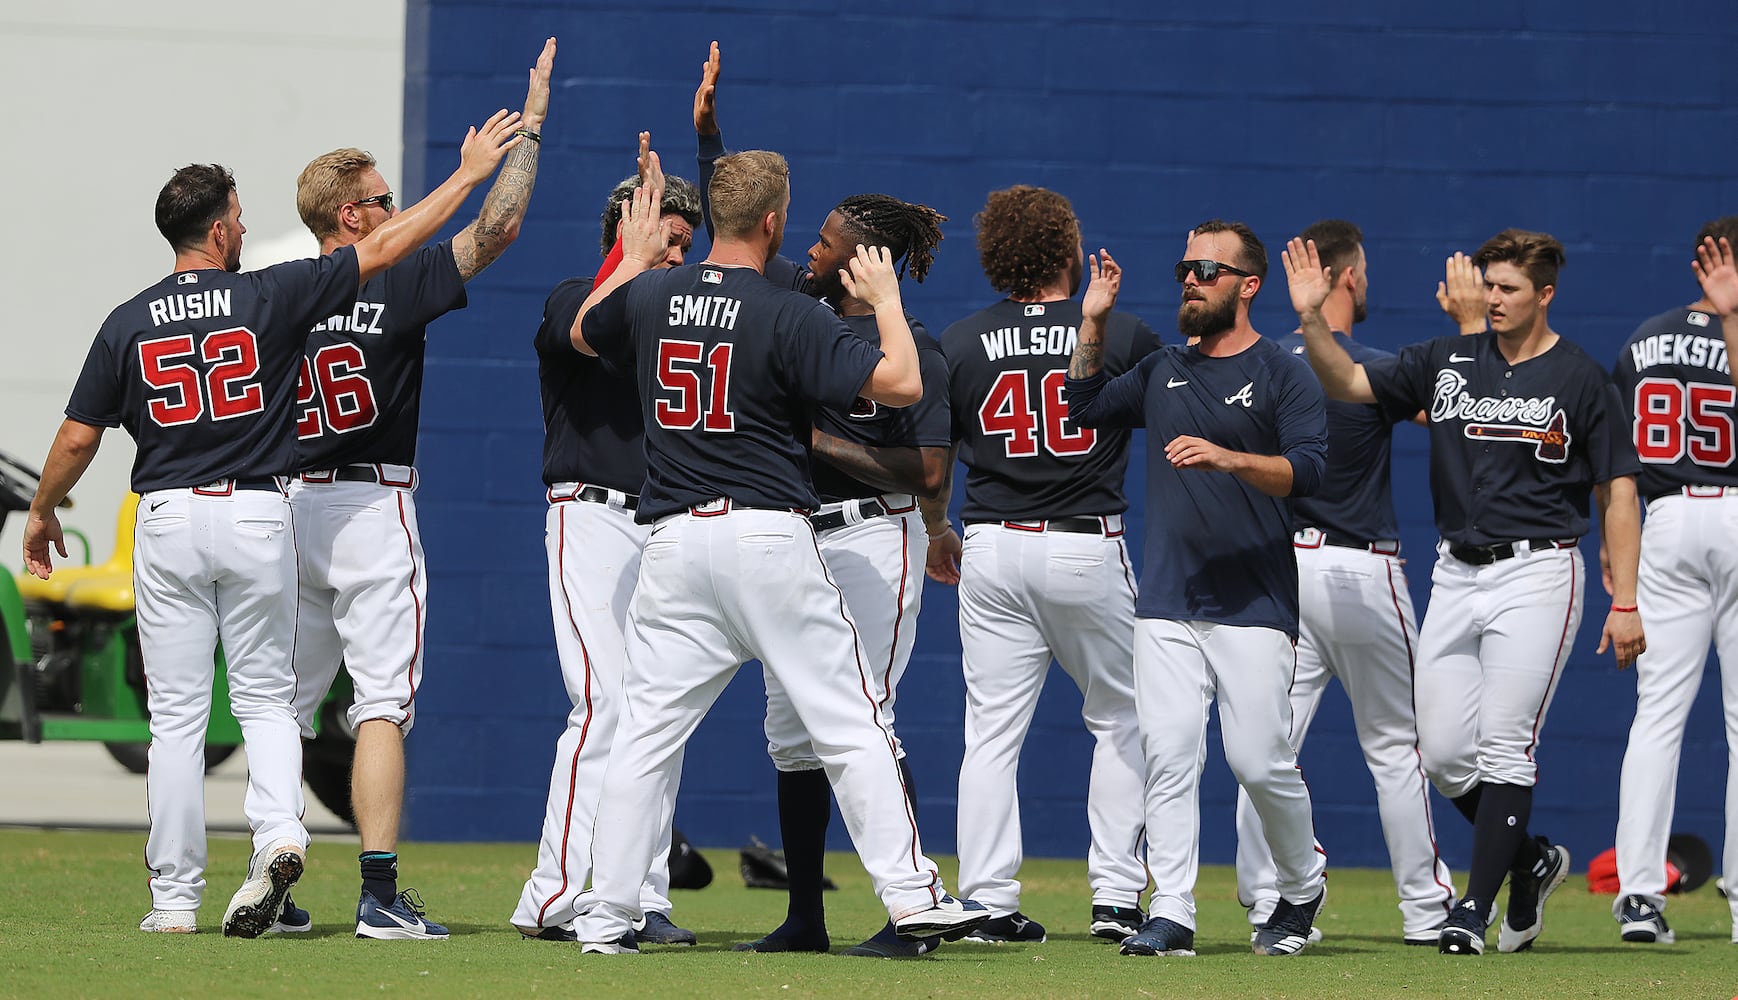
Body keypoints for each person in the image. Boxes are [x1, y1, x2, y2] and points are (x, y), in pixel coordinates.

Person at [19, 110, 527, 936]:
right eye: (240, 215)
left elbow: (78, 437)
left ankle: (177, 900)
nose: (249, 224)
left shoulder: (131, 317)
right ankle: (287, 840)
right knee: (281, 701)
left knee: (181, 719)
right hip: (270, 509)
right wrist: (469, 175)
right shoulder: (269, 293)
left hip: (187, 513)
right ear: (219, 229)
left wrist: (43, 513)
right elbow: (390, 252)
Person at [565, 142, 987, 954]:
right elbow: (900, 382)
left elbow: (586, 330)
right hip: (766, 536)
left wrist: (636, 259)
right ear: (773, 220)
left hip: (674, 541)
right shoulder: (789, 311)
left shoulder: (655, 295)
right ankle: (912, 896)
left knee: (646, 736)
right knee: (853, 722)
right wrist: (888, 298)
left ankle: (607, 915)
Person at [1283, 228, 1646, 956]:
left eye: (1510, 287)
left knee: (1506, 747)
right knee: (1445, 754)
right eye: (1490, 284)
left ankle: (1471, 910)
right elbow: (1348, 384)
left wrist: (1628, 600)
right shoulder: (1447, 359)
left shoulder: (1578, 376)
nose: (1494, 297)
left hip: (1538, 569)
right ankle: (1531, 860)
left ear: (1546, 294)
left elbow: (1619, 489)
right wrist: (1314, 320)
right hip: (1456, 570)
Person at [279, 38, 554, 940]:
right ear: (354, 216)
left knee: (280, 708)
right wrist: (531, 131)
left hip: (284, 508)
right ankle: (379, 893)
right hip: (370, 506)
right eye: (384, 199)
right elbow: (499, 229)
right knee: (383, 704)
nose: (394, 208)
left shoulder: (275, 291)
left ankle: (269, 885)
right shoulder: (395, 284)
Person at [690, 42, 957, 959]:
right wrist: (711, 138)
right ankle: (805, 912)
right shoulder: (794, 318)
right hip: (801, 544)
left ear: (865, 261)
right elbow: (736, 243)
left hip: (876, 542)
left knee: (862, 717)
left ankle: (908, 915)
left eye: (829, 243)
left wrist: (813, 441)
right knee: (792, 736)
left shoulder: (913, 344)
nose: (810, 250)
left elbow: (922, 473)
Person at [1064, 222, 1331, 958]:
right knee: (1171, 751)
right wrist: (1092, 318)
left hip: (1253, 598)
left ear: (1248, 285)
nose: (1191, 278)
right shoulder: (1162, 370)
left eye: (1209, 268)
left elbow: (1310, 471)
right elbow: (1079, 407)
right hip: (1169, 599)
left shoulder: (1283, 371)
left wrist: (1230, 458)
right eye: (1186, 265)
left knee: (1257, 759)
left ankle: (1303, 883)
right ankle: (1173, 908)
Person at [925, 185, 1153, 946]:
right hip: (1087, 540)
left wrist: (935, 530)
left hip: (991, 541)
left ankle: (987, 900)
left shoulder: (958, 341)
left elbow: (933, 466)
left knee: (990, 732)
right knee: (1123, 718)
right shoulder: (1120, 333)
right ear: (1069, 252)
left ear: (997, 256)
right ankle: (1117, 897)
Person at [1233, 219, 1456, 947]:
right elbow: (1457, 415)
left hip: (1279, 571)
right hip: (1361, 566)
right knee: (1396, 749)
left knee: (1269, 746)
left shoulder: (1260, 366)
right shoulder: (1371, 364)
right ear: (1349, 278)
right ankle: (1426, 912)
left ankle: (1269, 899)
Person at [510, 162, 705, 947]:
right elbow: (587, 329)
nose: (677, 258)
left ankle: (639, 896)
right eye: (668, 239)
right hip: (588, 515)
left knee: (656, 717)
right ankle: (555, 896)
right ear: (624, 234)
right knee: (604, 704)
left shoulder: (675, 315)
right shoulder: (571, 296)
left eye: (686, 244)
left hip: (661, 525)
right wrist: (633, 254)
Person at [1610, 218, 1738, 945]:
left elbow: (1617, 471)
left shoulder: (1642, 339)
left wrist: (1617, 554)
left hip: (1663, 519)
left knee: (1657, 715)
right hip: (1732, 507)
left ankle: (1638, 895)